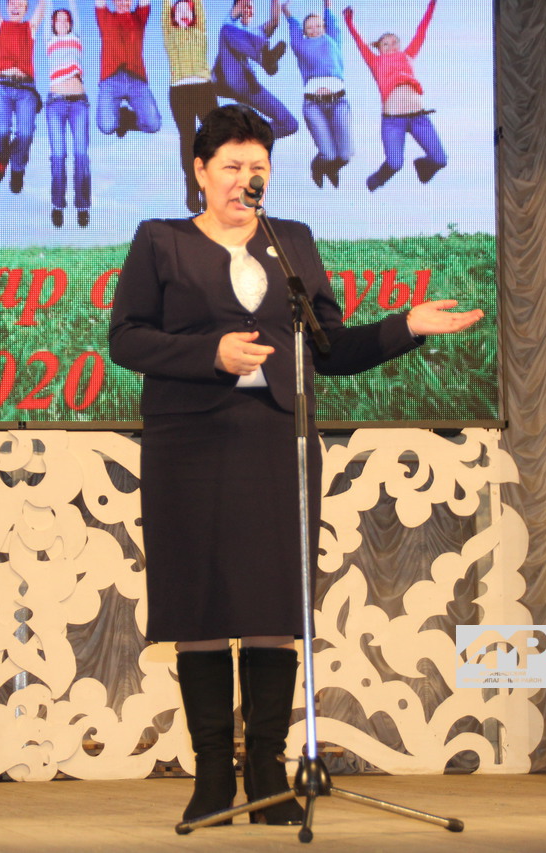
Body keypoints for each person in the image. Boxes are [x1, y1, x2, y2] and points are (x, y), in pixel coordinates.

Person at [107, 105, 482, 825]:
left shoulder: (293, 242)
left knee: (274, 601)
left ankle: (268, 770)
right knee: (200, 601)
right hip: (189, 441)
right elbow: (126, 338)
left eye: (258, 168)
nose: (245, 180)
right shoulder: (161, 241)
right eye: (231, 167)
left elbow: (329, 348)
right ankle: (212, 775)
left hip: (276, 438)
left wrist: (406, 325)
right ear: (199, 170)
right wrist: (209, 353)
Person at [343, 0, 447, 191]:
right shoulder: (375, 61)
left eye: (394, 42)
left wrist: (431, 6)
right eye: (385, 43)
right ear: (378, 48)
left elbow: (421, 31)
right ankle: (375, 181)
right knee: (395, 163)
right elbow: (360, 43)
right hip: (393, 121)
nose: (391, 46)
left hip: (419, 117)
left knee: (440, 159)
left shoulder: (408, 55)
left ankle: (422, 167)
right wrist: (350, 23)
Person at [283, 0, 350, 188]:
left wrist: (327, 4)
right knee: (328, 153)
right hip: (314, 104)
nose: (314, 30)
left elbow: (331, 19)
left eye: (318, 26)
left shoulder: (332, 39)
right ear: (304, 32)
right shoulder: (301, 45)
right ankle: (318, 167)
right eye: (309, 28)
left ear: (325, 28)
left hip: (338, 100)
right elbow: (294, 29)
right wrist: (287, 12)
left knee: (345, 154)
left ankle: (332, 168)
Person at [160, 0, 218, 213]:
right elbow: (165, 9)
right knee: (188, 138)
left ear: (194, 14)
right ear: (173, 17)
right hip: (180, 90)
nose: (183, 12)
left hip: (203, 88)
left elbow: (199, 7)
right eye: (178, 10)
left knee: (213, 137)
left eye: (188, 8)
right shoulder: (170, 34)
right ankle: (192, 187)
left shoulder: (200, 31)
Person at [211, 0, 297, 140]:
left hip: (249, 85)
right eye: (246, 7)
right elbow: (238, 8)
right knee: (226, 30)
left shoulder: (258, 33)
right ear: (238, 8)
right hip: (227, 80)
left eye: (251, 8)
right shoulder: (231, 23)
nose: (248, 10)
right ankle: (263, 57)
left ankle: (249, 138)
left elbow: (275, 21)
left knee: (290, 124)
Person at [0, 0, 48, 193]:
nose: (15, 7)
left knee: (25, 134)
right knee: (0, 130)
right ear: (6, 7)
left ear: (25, 9)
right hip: (2, 86)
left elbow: (42, 8)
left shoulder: (30, 27)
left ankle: (17, 169)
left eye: (20, 4)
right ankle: (3, 155)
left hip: (26, 89)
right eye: (12, 3)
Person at [43, 0, 92, 226]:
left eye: (66, 20)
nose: (62, 22)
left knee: (81, 154)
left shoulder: (76, 38)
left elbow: (75, 9)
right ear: (53, 25)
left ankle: (82, 205)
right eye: (58, 20)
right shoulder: (50, 40)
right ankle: (57, 205)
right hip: (56, 103)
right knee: (58, 155)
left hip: (79, 103)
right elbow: (47, 9)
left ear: (71, 24)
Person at [94, 0, 162, 138]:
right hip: (111, 80)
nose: (123, 2)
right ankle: (120, 116)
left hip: (136, 79)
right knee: (106, 126)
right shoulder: (105, 17)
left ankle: (127, 119)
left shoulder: (139, 18)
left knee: (154, 124)